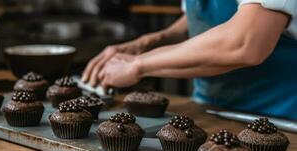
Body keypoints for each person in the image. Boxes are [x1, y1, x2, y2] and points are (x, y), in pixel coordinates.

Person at [82, 0, 297, 120]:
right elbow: (198, 18)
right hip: (210, 108)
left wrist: (137, 65)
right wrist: (149, 41)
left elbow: (246, 43)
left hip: (280, 118)